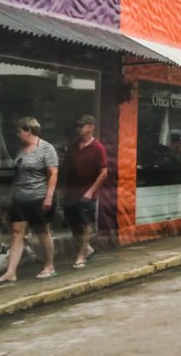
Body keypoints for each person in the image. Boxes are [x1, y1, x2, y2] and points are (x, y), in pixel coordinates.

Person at [0, 117, 59, 284]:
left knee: (42, 231)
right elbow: (18, 175)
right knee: (16, 234)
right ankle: (10, 272)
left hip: (38, 196)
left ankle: (49, 266)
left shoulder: (46, 148)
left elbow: (53, 174)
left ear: (28, 130)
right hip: (20, 197)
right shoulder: (21, 150)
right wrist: (11, 196)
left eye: (19, 131)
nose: (17, 134)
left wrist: (48, 197)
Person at [62, 115, 108, 269]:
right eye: (77, 126)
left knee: (84, 224)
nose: (78, 129)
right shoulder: (73, 146)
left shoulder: (98, 148)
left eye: (81, 126)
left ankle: (81, 256)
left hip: (88, 192)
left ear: (90, 127)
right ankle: (87, 249)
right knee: (71, 223)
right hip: (71, 191)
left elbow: (103, 173)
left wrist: (91, 191)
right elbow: (67, 168)